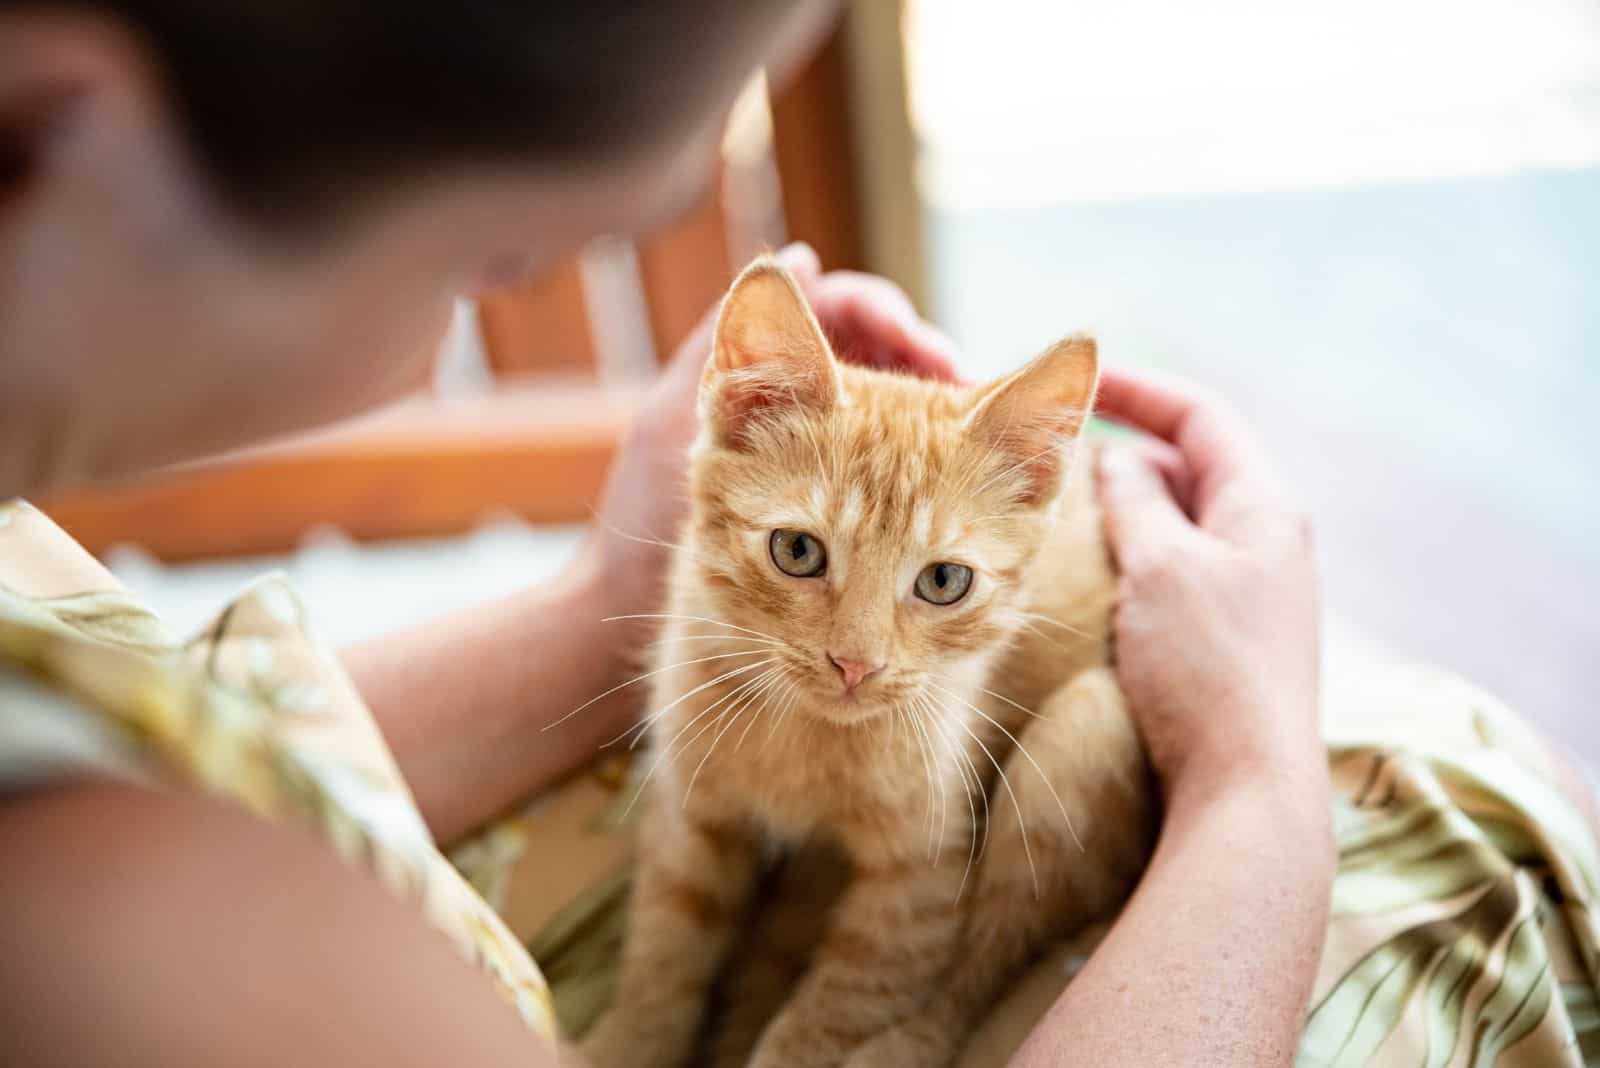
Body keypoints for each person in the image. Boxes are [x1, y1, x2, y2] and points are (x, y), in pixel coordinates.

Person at [0, 4, 1594, 1067]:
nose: (474, 335)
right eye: (500, 252)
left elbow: (241, 745)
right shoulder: (128, 940)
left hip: (950, 743)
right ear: (47, 124)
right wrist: (1256, 783)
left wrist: (593, 603)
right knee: (1481, 821)